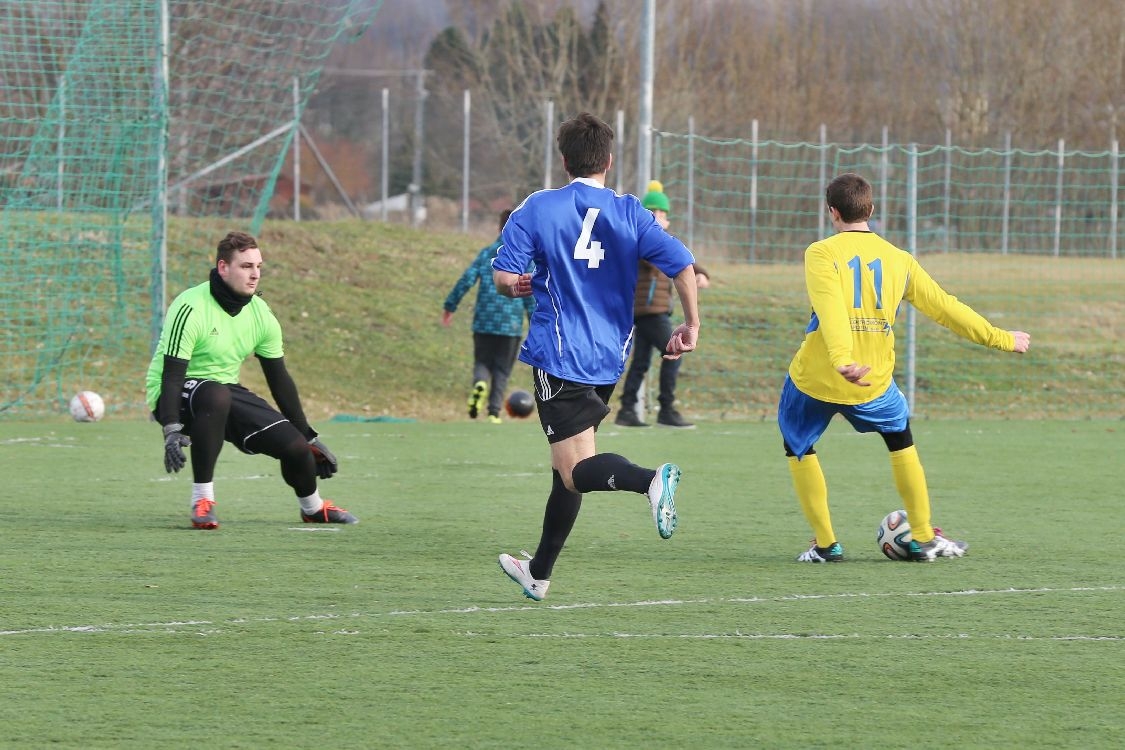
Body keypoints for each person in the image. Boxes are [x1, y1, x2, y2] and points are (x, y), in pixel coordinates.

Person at [491, 112, 701, 601]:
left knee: (573, 471)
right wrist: (691, 325)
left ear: (563, 160)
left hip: (559, 354)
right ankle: (538, 573)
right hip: (610, 356)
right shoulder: (631, 212)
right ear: (608, 160)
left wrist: (515, 285)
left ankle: (651, 481)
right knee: (567, 470)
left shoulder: (538, 208)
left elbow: (504, 277)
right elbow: (683, 265)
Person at [779, 173, 1030, 563]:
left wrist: (842, 359)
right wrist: (1000, 337)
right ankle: (924, 537)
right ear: (871, 210)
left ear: (832, 212)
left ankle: (826, 545)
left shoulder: (820, 252)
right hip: (872, 383)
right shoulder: (899, 260)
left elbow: (829, 308)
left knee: (798, 447)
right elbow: (946, 307)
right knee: (900, 438)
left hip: (816, 377)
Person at [145, 230, 356, 529]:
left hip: (223, 393)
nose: (255, 274)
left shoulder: (261, 314)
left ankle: (313, 508)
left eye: (258, 266)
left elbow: (279, 378)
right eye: (246, 266)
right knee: (214, 394)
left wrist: (308, 435)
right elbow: (172, 375)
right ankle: (202, 500)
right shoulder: (191, 306)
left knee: (295, 448)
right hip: (175, 394)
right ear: (223, 268)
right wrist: (170, 427)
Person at [615, 180, 710, 429]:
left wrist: (701, 274)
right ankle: (666, 409)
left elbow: (678, 259)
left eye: (664, 214)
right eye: (656, 213)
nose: (661, 218)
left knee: (641, 361)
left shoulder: (653, 238)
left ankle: (626, 409)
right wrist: (657, 229)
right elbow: (661, 258)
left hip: (652, 310)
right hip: (649, 311)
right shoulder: (639, 238)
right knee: (674, 353)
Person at [442, 209, 534, 424]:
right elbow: (530, 292)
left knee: (482, 362)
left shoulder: (486, 253)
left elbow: (466, 279)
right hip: (510, 325)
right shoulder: (525, 258)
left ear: (498, 227)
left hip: (483, 321)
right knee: (502, 369)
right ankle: (493, 412)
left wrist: (450, 306)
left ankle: (479, 383)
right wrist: (535, 323)